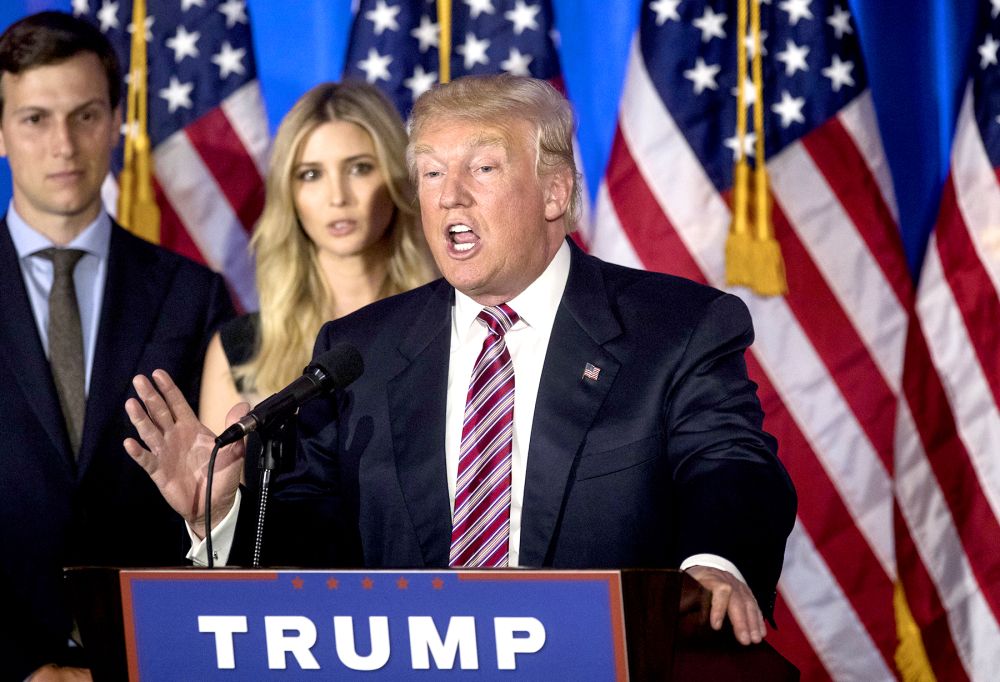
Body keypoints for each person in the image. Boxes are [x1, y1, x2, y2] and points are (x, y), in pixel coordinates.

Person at [125, 74, 796, 649]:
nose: (449, 196)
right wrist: (221, 515)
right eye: (432, 173)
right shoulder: (360, 350)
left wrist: (717, 564)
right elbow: (314, 546)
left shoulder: (675, 329)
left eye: (482, 168)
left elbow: (730, 463)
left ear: (555, 192)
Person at [0, 12, 233, 681]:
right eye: (35, 119)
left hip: (148, 656)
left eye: (86, 115)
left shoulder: (194, 293)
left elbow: (211, 494)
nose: (63, 145)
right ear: (1, 130)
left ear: (115, 121)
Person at [198, 81, 435, 439]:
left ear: (396, 176)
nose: (337, 197)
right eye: (311, 175)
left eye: (359, 168)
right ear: (288, 194)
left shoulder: (450, 323)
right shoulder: (242, 348)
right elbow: (217, 492)